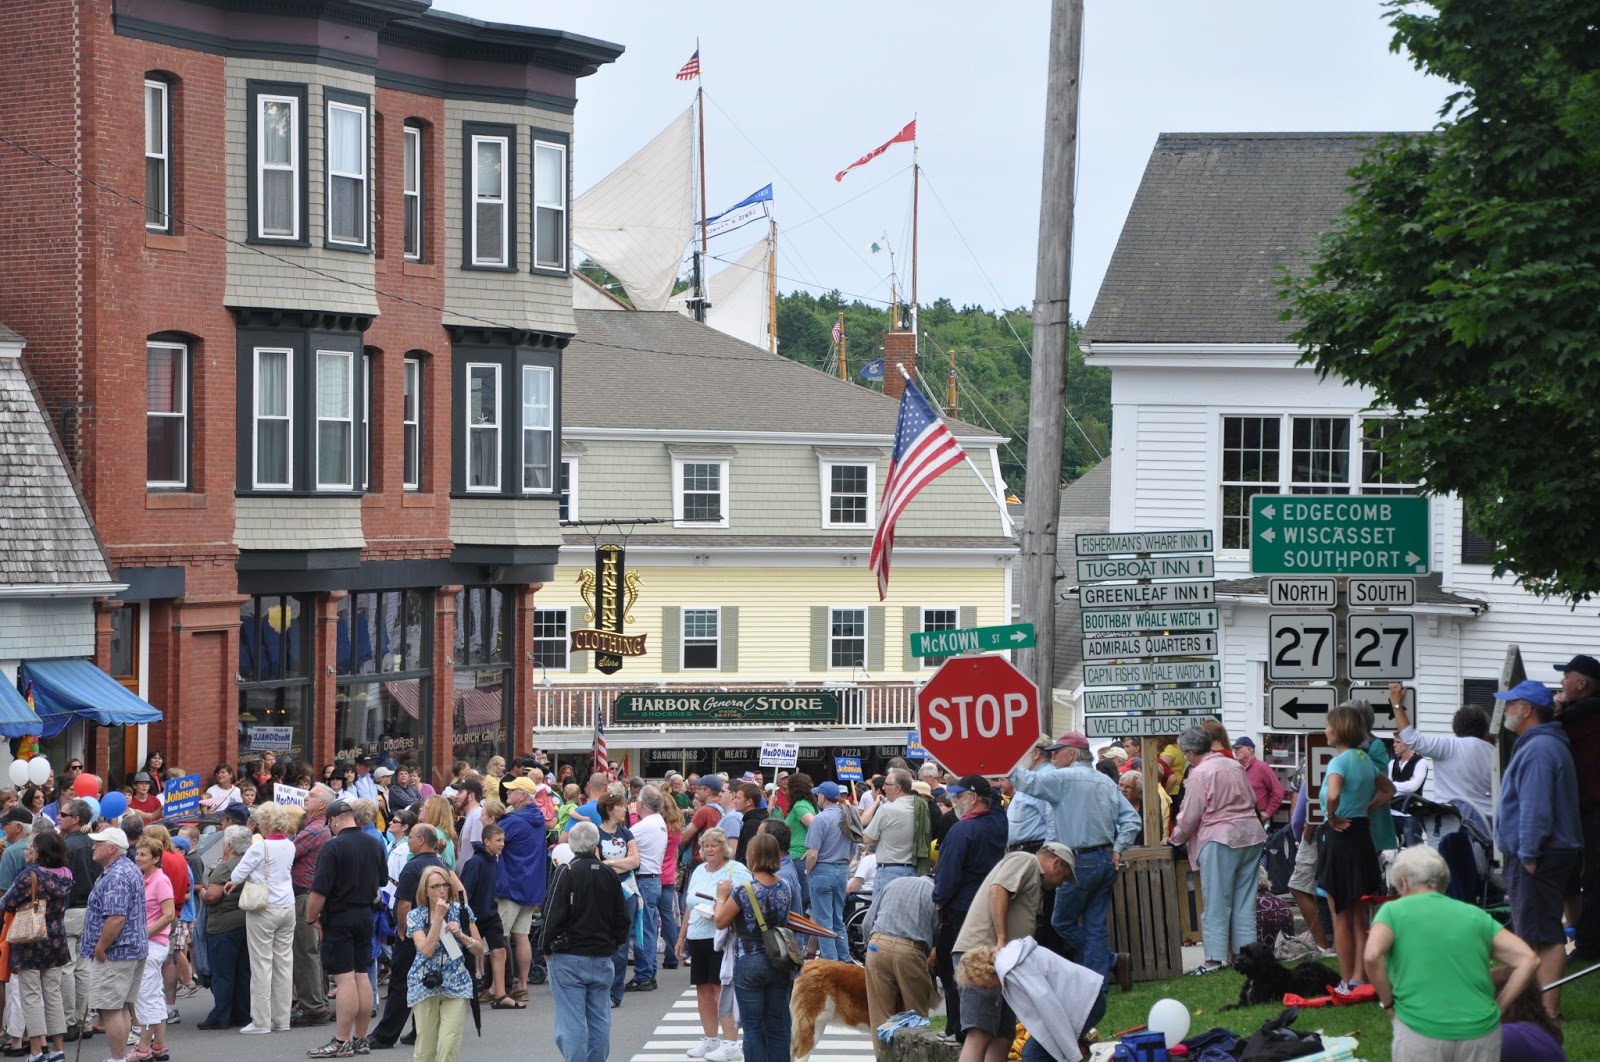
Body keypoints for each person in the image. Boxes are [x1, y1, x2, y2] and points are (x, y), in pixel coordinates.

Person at [1366, 845, 1540, 1060]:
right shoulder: (1474, 915)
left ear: (1404, 883)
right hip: (1482, 1029)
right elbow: (1528, 959)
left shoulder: (1393, 911)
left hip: (1420, 1027)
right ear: (1444, 883)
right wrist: (1500, 1005)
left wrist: (1389, 1004)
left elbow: (1372, 956)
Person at [1009, 732, 1139, 993]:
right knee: (1095, 925)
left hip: (1078, 862)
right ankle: (1101, 978)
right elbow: (1132, 821)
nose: (1052, 755)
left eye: (1058, 751)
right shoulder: (1105, 781)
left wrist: (1002, 761)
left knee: (1062, 922)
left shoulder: (1062, 778)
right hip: (1105, 860)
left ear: (1072, 754)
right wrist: (1117, 849)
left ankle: (1106, 965)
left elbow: (1026, 782)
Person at [1494, 677, 1582, 1019]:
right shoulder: (1542, 744)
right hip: (1545, 853)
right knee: (1539, 929)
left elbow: (1535, 807)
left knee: (1540, 935)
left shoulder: (1539, 749)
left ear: (1526, 709)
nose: (1505, 711)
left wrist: (1528, 855)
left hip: (1539, 856)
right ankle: (1538, 1007)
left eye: (1510, 704)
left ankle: (1544, 1011)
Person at [950, 844, 1077, 1062]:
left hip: (1004, 965)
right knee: (979, 1033)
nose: (1060, 885)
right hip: (984, 956)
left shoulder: (1034, 881)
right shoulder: (1026, 861)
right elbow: (998, 889)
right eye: (1063, 877)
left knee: (1004, 1037)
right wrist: (1001, 941)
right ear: (1056, 863)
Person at [1167, 726, 1268, 974]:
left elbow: (1190, 815)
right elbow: (1252, 801)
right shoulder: (1233, 765)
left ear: (1190, 752)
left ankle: (1212, 960)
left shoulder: (1200, 772)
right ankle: (1246, 958)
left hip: (1220, 837)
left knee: (1215, 902)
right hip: (1251, 835)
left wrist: (1175, 838)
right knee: (1245, 901)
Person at [1319, 703, 1395, 993]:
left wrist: (1332, 815)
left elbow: (1334, 793)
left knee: (1340, 912)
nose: (1326, 730)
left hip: (1340, 838)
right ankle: (1360, 977)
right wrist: (1367, 809)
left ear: (1339, 730)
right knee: (1359, 913)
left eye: (1329, 725)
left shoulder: (1339, 761)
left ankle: (1344, 979)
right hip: (1362, 836)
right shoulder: (1365, 759)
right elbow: (1389, 789)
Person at [304, 799, 386, 1058]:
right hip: (365, 914)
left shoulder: (333, 847)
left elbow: (319, 890)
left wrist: (310, 917)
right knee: (362, 975)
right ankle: (361, 1038)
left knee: (345, 978)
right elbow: (382, 880)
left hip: (340, 915)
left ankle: (341, 1040)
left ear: (334, 820)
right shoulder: (374, 842)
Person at [542, 821, 627, 1062]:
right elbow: (622, 917)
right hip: (601, 955)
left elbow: (552, 913)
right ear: (596, 844)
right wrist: (615, 943)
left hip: (570, 954)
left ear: (571, 844)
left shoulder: (566, 871)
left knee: (572, 1021)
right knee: (599, 1019)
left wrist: (545, 946)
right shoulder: (609, 874)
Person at [931, 775, 1008, 1035]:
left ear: (974, 798)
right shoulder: (999, 822)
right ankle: (978, 1025)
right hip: (990, 904)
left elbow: (948, 872)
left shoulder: (963, 830)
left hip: (961, 907)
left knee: (955, 971)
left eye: (959, 796)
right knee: (981, 968)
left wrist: (940, 900)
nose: (954, 801)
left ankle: (958, 1028)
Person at [713, 833, 793, 1062]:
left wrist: (720, 898)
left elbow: (720, 921)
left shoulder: (744, 890)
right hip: (779, 960)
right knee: (777, 1025)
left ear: (753, 855)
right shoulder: (784, 886)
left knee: (753, 1027)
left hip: (750, 959)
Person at [368, 824, 446, 1048]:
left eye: (411, 837)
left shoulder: (413, 868)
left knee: (401, 983)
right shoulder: (441, 863)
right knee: (428, 982)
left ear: (421, 840)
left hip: (415, 933)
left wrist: (402, 930)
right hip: (435, 930)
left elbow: (403, 903)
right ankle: (421, 1029)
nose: (408, 841)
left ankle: (385, 1035)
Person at [675, 828, 748, 1060]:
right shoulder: (698, 870)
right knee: (703, 989)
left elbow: (744, 900)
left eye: (713, 845)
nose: (708, 849)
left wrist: (721, 901)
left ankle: (730, 1043)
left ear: (723, 847)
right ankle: (710, 1039)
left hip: (722, 936)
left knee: (721, 989)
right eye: (705, 845)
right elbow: (689, 904)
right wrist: (681, 935)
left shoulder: (735, 870)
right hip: (698, 935)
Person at [3, 832, 71, 1062]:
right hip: (56, 939)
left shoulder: (30, 875)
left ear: (40, 850)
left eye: (32, 847)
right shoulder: (66, 875)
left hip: (30, 938)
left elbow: (8, 902)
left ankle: (35, 1050)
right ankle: (58, 1050)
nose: (29, 850)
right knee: (53, 995)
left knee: (31, 996)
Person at [228, 802, 296, 1034]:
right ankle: (282, 1019)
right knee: (284, 964)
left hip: (264, 907)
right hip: (287, 905)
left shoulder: (259, 847)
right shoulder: (290, 845)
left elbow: (237, 874)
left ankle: (261, 1021)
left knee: (261, 964)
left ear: (264, 823)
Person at [403, 866, 482, 1062]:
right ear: (425, 891)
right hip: (424, 985)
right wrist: (438, 918)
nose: (441, 890)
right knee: (425, 1051)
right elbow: (426, 950)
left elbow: (480, 949)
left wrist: (462, 936)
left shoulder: (462, 911)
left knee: (448, 1046)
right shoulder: (416, 916)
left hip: (456, 983)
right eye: (435, 886)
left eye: (445, 885)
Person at [83, 826, 147, 1062]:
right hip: (130, 948)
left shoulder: (117, 875)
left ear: (111, 848)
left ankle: (118, 1058)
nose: (93, 846)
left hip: (116, 951)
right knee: (119, 1007)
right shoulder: (127, 868)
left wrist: (100, 947)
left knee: (111, 1008)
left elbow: (116, 917)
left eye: (98, 843)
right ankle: (121, 1057)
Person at [1553, 653, 1600, 963]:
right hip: (1587, 807)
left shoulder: (1584, 713)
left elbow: (1554, 724)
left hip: (1594, 807)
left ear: (1581, 684)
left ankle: (1589, 946)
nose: (1561, 681)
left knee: (1593, 879)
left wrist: (1556, 708)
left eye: (1566, 676)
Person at [861, 872, 938, 1061]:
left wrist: (869, 947)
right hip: (911, 950)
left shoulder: (894, 883)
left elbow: (866, 923)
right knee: (917, 1015)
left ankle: (882, 1058)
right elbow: (937, 935)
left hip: (877, 944)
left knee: (880, 1017)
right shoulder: (935, 892)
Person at [1389, 682, 1494, 820]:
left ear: (1457, 726)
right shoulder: (1493, 752)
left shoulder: (1448, 746)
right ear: (1485, 726)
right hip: (1487, 822)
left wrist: (1397, 705)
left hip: (1452, 820)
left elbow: (1411, 739)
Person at [494, 776, 548, 1002]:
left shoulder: (514, 820)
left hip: (511, 884)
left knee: (501, 938)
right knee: (522, 936)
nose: (507, 793)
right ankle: (523, 984)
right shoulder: (538, 817)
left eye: (512, 790)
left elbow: (489, 840)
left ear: (523, 795)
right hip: (530, 885)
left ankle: (502, 987)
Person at [198, 824, 252, 1030]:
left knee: (223, 973)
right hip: (246, 921)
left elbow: (213, 896)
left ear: (228, 845)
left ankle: (220, 1015)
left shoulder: (225, 867)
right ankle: (242, 1013)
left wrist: (203, 893)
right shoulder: (250, 862)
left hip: (223, 924)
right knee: (243, 971)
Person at [289, 784, 334, 1026]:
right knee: (312, 952)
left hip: (305, 896)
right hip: (310, 895)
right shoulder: (317, 828)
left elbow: (288, 853)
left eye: (312, 796)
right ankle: (319, 1003)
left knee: (306, 952)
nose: (306, 797)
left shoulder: (315, 830)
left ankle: (314, 1006)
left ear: (323, 805)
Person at [128, 837, 174, 1062]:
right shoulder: (143, 879)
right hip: (147, 943)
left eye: (144, 854)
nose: (138, 857)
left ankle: (144, 1048)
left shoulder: (160, 880)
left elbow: (169, 914)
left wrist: (145, 933)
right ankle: (160, 1046)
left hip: (154, 944)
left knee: (146, 996)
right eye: (137, 853)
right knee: (153, 995)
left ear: (156, 858)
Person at [458, 824, 512, 1008]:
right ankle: (463, 991)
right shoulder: (476, 862)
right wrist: (466, 917)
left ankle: (500, 993)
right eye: (498, 840)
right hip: (475, 915)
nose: (502, 844)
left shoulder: (493, 859)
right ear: (486, 841)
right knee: (469, 954)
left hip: (490, 912)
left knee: (500, 950)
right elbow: (465, 891)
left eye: (503, 840)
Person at [57, 798, 98, 1041]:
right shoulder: (94, 844)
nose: (59, 817)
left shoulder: (66, 847)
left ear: (76, 819)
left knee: (67, 968)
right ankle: (85, 1021)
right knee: (83, 968)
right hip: (89, 911)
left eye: (63, 814)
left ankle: (70, 1021)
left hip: (71, 910)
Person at [594, 791, 639, 1008]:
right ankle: (600, 989)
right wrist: (621, 863)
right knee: (604, 940)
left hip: (627, 891)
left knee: (622, 943)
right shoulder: (596, 833)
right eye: (621, 806)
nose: (626, 809)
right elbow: (596, 864)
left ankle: (615, 993)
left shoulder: (626, 833)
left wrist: (610, 863)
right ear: (610, 809)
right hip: (605, 891)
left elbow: (635, 861)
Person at [802, 781, 853, 962]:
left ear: (822, 797)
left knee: (823, 923)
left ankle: (831, 964)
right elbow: (855, 848)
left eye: (818, 795)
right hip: (842, 870)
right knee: (837, 920)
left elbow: (813, 854)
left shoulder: (820, 819)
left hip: (822, 870)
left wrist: (808, 871)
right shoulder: (847, 817)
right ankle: (844, 959)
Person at [626, 786, 667, 993]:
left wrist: (632, 815)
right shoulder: (659, 821)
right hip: (653, 878)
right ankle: (648, 972)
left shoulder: (644, 826)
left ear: (641, 804)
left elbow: (626, 842)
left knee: (641, 930)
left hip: (643, 878)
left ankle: (644, 975)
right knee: (648, 928)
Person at [862, 768, 919, 893]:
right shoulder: (920, 808)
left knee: (883, 911)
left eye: (887, 784)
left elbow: (867, 838)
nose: (883, 787)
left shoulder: (886, 809)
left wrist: (881, 838)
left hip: (889, 871)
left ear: (897, 788)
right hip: (913, 872)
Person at [1002, 743, 1055, 853]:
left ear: (1036, 753)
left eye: (1020, 752)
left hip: (1035, 850)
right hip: (1026, 850)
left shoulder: (1044, 778)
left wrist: (1047, 853)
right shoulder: (1033, 777)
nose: (1016, 758)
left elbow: (1053, 822)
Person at [1231, 737, 1285, 823]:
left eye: (1238, 748)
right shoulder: (1235, 769)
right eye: (1235, 749)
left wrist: (1268, 813)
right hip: (1238, 820)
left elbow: (1278, 791)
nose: (1235, 751)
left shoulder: (1262, 767)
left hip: (1256, 820)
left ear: (1249, 750)